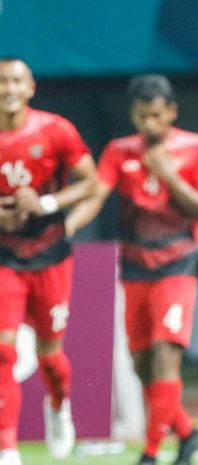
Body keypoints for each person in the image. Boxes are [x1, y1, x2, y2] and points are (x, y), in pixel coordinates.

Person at [65, 74, 198, 465]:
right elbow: (97, 195)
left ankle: (151, 453)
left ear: (171, 111)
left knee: (165, 356)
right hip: (135, 268)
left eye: (156, 116)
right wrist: (67, 226)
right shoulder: (120, 151)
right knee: (142, 365)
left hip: (177, 265)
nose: (149, 125)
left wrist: (169, 175)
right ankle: (187, 434)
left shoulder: (196, 148)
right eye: (141, 117)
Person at [0, 57, 98, 465]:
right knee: (3, 351)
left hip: (51, 256)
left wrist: (45, 203)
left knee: (50, 359)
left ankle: (59, 406)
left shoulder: (55, 130)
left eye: (16, 81)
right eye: (1, 81)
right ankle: (7, 447)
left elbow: (90, 182)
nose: (8, 88)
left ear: (31, 87)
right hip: (4, 258)